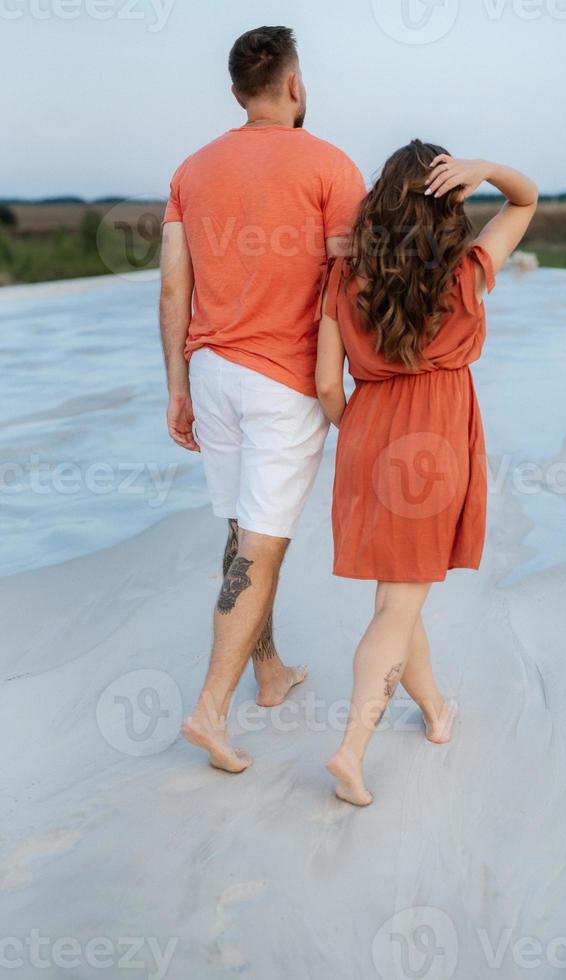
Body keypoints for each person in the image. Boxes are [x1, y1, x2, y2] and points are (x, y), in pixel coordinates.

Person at [159, 26, 366, 773]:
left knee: (244, 527)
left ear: (237, 91)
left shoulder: (193, 169)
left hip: (211, 373)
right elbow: (351, 286)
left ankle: (268, 672)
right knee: (263, 547)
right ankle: (210, 711)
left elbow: (173, 285)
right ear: (293, 86)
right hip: (283, 383)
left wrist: (178, 386)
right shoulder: (330, 166)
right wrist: (345, 383)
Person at [315, 142, 538, 805]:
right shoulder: (467, 267)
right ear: (450, 200)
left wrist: (357, 428)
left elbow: (328, 384)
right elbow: (525, 198)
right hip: (431, 439)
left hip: (367, 429)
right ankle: (351, 749)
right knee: (397, 603)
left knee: (398, 597)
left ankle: (436, 710)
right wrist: (489, 168)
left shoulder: (344, 274)